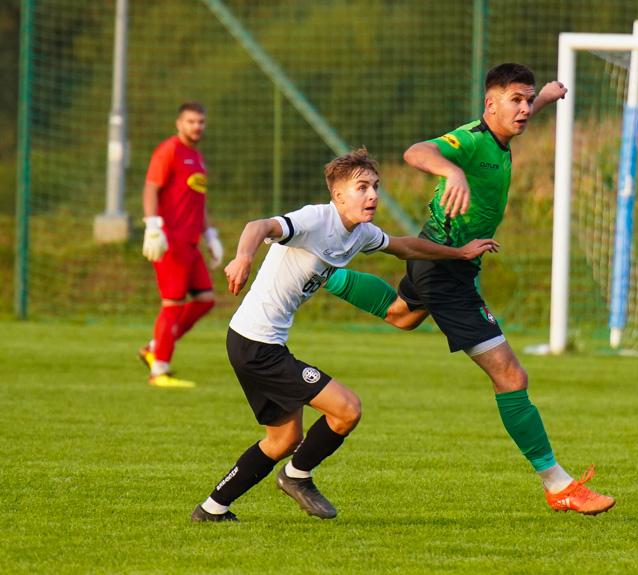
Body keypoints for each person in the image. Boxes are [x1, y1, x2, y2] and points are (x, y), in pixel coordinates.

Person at [324, 63, 616, 515]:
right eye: (515, 100)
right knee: (512, 376)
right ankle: (559, 485)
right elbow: (416, 152)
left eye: (526, 100)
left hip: (440, 260)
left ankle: (325, 273)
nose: (523, 109)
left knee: (402, 315)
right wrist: (452, 173)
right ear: (489, 104)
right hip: (444, 268)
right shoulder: (472, 140)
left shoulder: (503, 134)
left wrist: (548, 96)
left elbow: (524, 109)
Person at [189, 148, 499, 522]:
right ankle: (296, 476)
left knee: (283, 440)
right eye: (362, 187)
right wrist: (243, 258)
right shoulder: (315, 219)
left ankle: (212, 509)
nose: (372, 195)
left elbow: (405, 246)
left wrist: (459, 253)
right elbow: (259, 226)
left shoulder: (362, 233)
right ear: (338, 196)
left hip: (253, 342)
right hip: (257, 345)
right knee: (347, 409)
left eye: (375, 187)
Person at [139, 101, 224, 389]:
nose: (196, 126)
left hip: (190, 243)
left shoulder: (197, 158)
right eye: (191, 121)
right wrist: (153, 225)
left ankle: (154, 347)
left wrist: (210, 234)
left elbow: (198, 202)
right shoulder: (169, 150)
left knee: (205, 300)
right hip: (170, 241)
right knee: (172, 304)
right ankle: (159, 370)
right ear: (179, 123)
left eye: (200, 122)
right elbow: (151, 187)